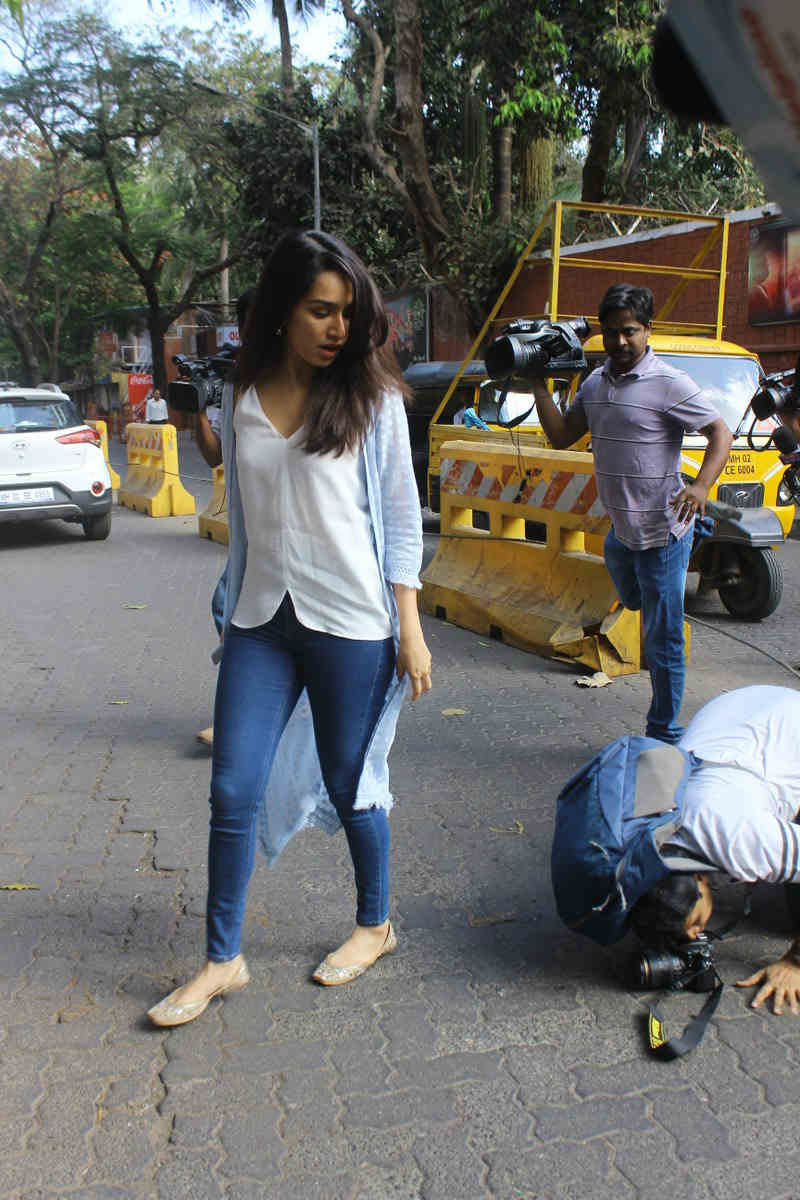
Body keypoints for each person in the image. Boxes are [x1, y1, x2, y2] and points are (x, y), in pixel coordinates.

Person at [147, 230, 432, 1027]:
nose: (337, 327)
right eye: (319, 310)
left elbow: (402, 523)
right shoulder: (241, 400)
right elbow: (240, 516)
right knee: (231, 786)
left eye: (346, 312)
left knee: (349, 785)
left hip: (353, 625)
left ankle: (376, 924)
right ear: (281, 312)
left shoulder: (372, 402)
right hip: (261, 626)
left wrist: (409, 628)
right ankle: (221, 959)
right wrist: (228, 607)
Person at [529, 283, 732, 743]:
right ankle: (652, 598)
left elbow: (720, 432)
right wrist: (538, 387)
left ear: (647, 330)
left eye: (630, 332)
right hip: (622, 533)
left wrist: (701, 486)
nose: (620, 342)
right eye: (612, 333)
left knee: (662, 641)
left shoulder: (670, 383)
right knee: (636, 599)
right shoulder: (596, 383)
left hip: (663, 532)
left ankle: (663, 733)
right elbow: (562, 435)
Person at [630, 685, 800, 1016]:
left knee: (782, 922)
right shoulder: (640, 829)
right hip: (736, 707)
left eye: (693, 926)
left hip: (786, 721)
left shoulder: (743, 842)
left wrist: (796, 961)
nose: (698, 935)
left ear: (700, 883)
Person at [195, 290, 255, 750]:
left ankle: (244, 718)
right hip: (250, 524)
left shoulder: (292, 377)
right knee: (231, 608)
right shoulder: (238, 377)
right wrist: (197, 408)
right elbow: (217, 453)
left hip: (286, 528)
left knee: (228, 605)